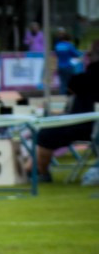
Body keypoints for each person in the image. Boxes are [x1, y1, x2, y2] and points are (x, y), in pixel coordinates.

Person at [32, 40, 99, 182]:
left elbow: (72, 88)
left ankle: (41, 172)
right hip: (88, 125)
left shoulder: (84, 77)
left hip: (82, 124)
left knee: (45, 134)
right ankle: (35, 169)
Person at [53, 28, 83, 96]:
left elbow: (57, 55)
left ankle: (61, 96)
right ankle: (70, 97)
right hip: (68, 66)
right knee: (70, 82)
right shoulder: (69, 45)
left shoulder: (57, 46)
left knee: (62, 83)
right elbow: (76, 54)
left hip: (60, 66)